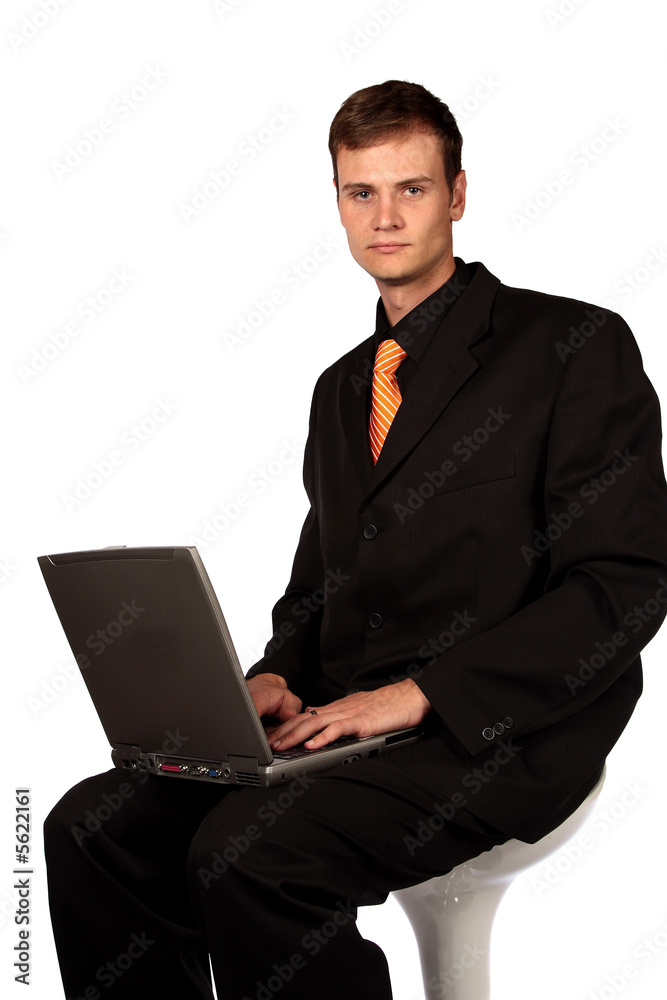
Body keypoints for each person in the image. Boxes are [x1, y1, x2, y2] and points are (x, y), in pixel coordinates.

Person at [44, 80, 667, 1000]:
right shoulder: (343, 388)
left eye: (410, 189)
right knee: (89, 828)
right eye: (358, 192)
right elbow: (317, 588)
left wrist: (419, 694)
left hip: (496, 731)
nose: (384, 216)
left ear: (456, 195)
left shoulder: (572, 344)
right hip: (338, 726)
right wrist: (267, 679)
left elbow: (625, 585)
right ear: (335, 202)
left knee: (246, 856)